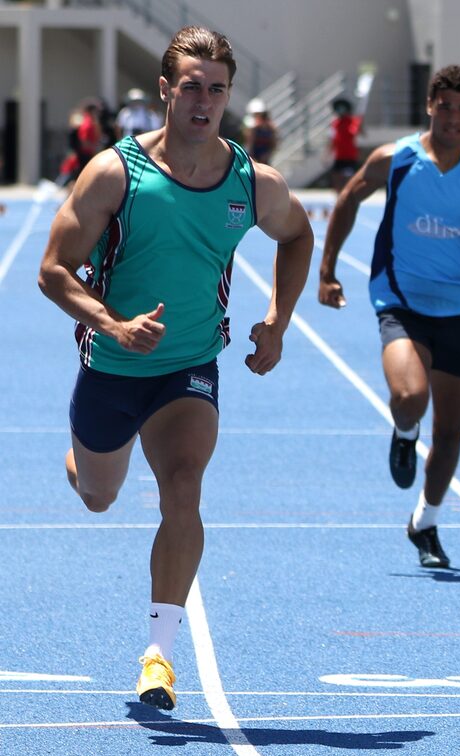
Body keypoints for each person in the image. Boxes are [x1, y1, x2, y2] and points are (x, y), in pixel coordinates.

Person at [36, 26, 313, 711]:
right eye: (191, 86)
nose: (204, 101)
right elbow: (51, 271)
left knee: (183, 486)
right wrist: (112, 324)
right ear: (165, 89)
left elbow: (300, 233)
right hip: (111, 364)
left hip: (189, 366)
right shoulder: (115, 173)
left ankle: (158, 652)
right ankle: (82, 461)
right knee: (99, 493)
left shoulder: (250, 181)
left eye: (217, 89)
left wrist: (278, 317)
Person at [317, 64, 460, 570]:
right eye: (445, 106)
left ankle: (425, 522)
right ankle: (405, 434)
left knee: (450, 432)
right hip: (401, 300)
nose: (453, 117)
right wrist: (328, 270)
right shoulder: (396, 159)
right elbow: (348, 199)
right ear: (430, 106)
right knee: (409, 397)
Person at [330, 97, 364, 192]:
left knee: (349, 179)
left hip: (350, 156)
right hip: (339, 156)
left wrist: (359, 126)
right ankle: (338, 196)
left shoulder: (353, 121)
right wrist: (327, 154)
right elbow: (333, 140)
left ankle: (349, 195)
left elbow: (356, 133)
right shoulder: (335, 123)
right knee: (336, 177)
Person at [243, 98, 278, 164]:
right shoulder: (255, 128)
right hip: (255, 156)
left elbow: (274, 144)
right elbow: (250, 142)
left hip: (264, 156)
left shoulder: (271, 129)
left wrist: (268, 154)